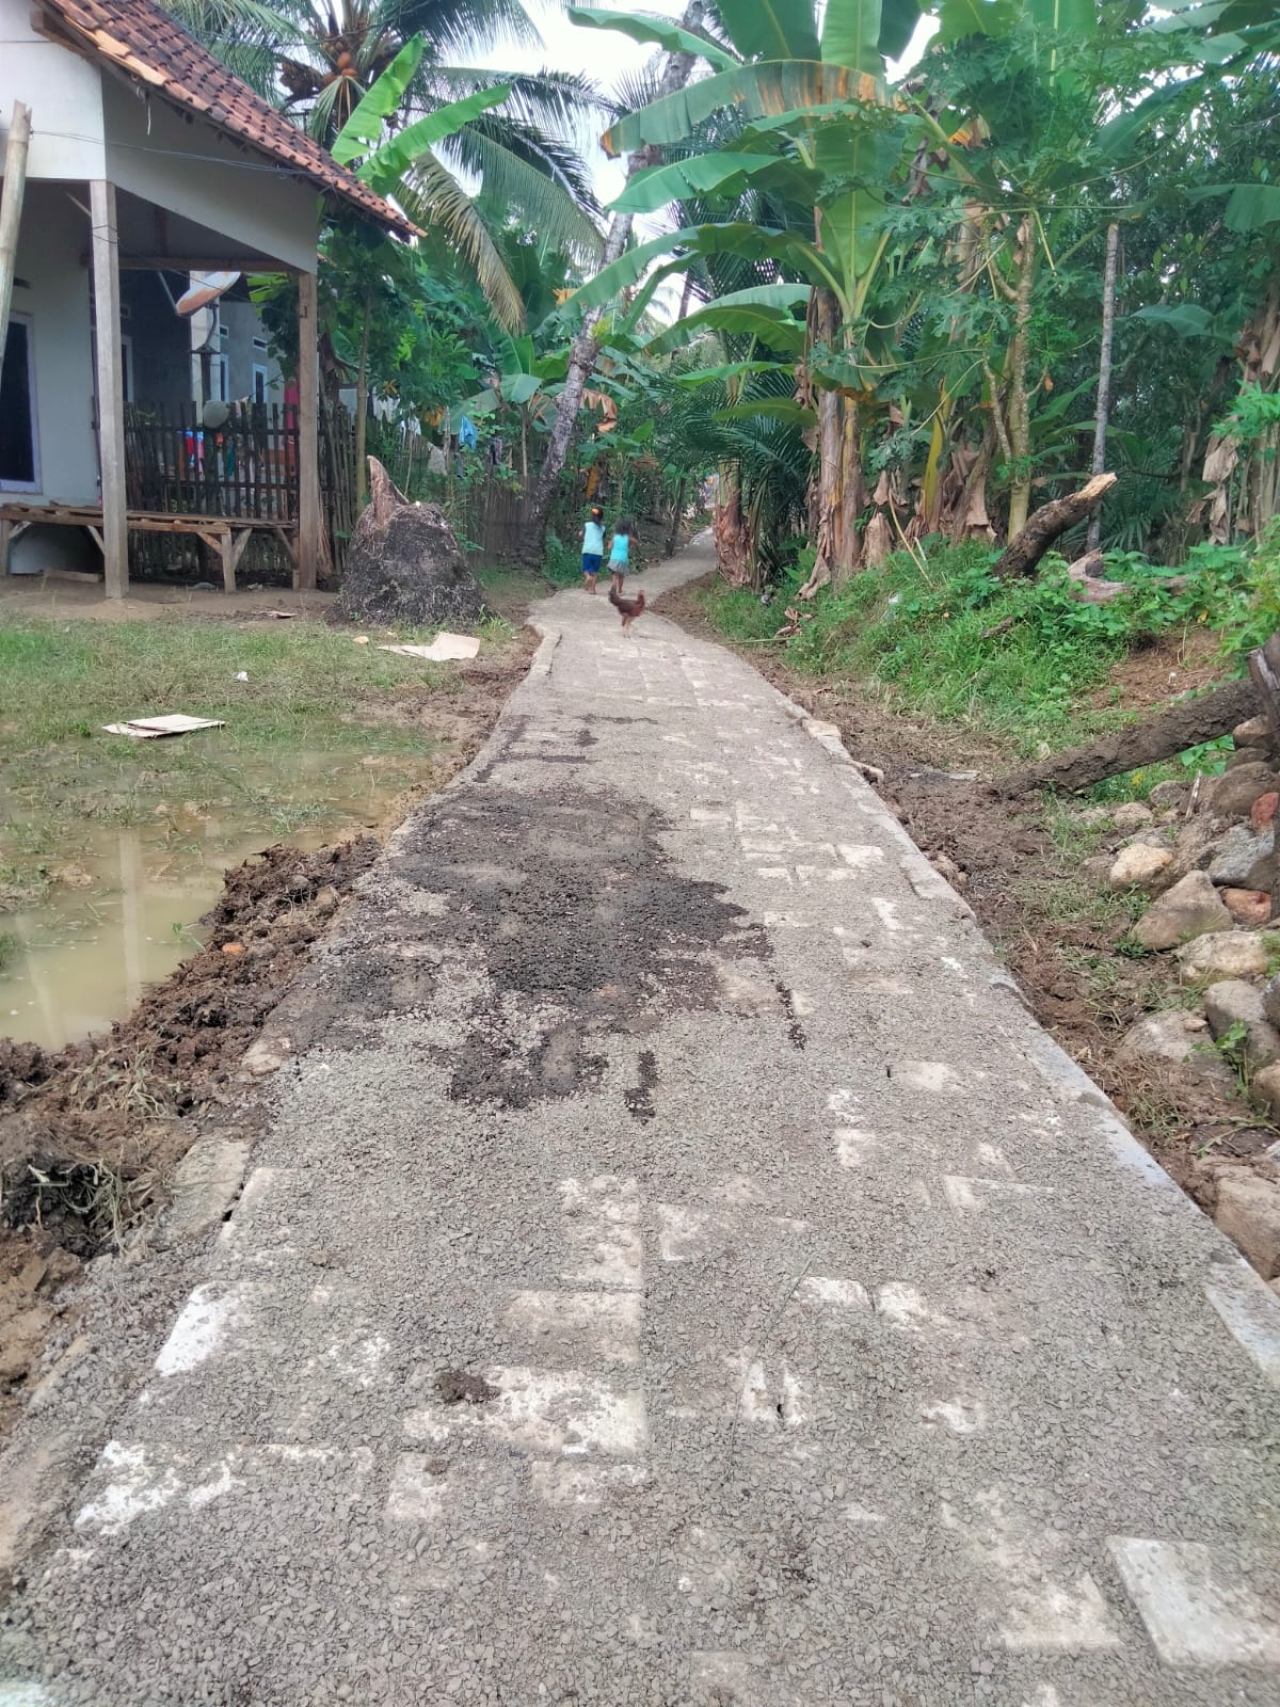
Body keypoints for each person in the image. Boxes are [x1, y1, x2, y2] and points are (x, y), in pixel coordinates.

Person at [581, 505, 605, 593]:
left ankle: (588, 577)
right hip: (598, 551)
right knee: (595, 571)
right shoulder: (603, 528)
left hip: (587, 550)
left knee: (586, 569)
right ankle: (593, 589)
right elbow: (602, 538)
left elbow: (582, 535)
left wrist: (581, 534)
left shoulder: (587, 525)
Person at [608, 518, 632, 596]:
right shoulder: (627, 537)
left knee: (614, 574)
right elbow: (629, 546)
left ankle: (613, 586)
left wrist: (611, 546)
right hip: (623, 559)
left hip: (614, 558)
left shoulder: (615, 537)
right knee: (621, 575)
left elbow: (609, 547)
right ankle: (620, 591)